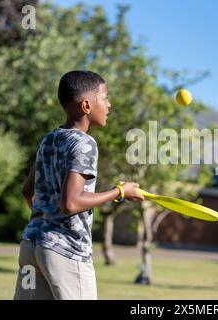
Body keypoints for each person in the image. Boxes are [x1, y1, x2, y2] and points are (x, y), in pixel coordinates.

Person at [14, 70, 144, 300]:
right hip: (65, 251)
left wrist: (43, 222)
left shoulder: (49, 139)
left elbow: (27, 191)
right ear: (86, 105)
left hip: (30, 245)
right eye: (105, 98)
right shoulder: (84, 144)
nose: (109, 104)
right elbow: (71, 203)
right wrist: (120, 191)